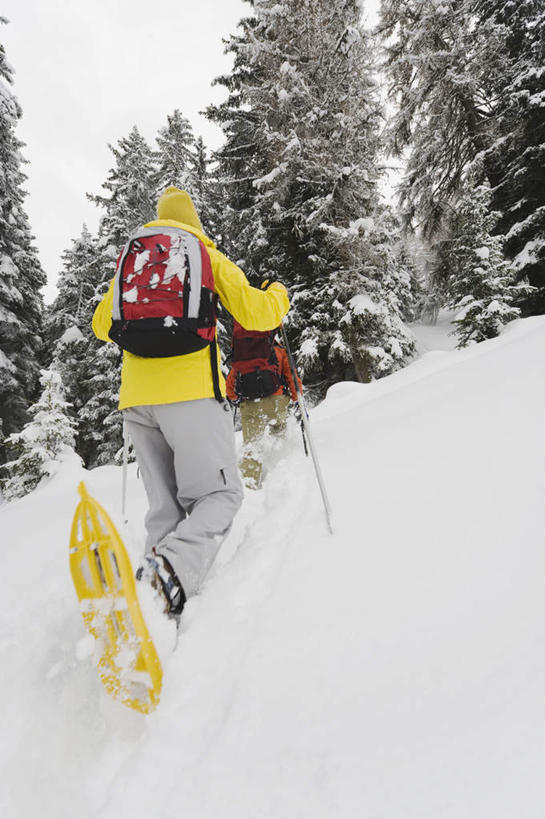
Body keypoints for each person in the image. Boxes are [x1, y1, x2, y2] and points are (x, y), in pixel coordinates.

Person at [92, 186, 289, 617]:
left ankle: (151, 605)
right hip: (192, 396)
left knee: (164, 508)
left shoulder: (136, 257)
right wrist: (279, 294)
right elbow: (257, 313)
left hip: (137, 403)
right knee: (219, 496)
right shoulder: (201, 253)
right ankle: (171, 573)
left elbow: (101, 325)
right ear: (193, 220)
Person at [226, 322, 302, 489]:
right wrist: (298, 399)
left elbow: (230, 385)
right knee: (280, 428)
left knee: (252, 444)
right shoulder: (277, 349)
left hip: (251, 405)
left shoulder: (242, 355)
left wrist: (236, 399)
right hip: (276, 402)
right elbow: (292, 377)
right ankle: (280, 464)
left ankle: (249, 484)